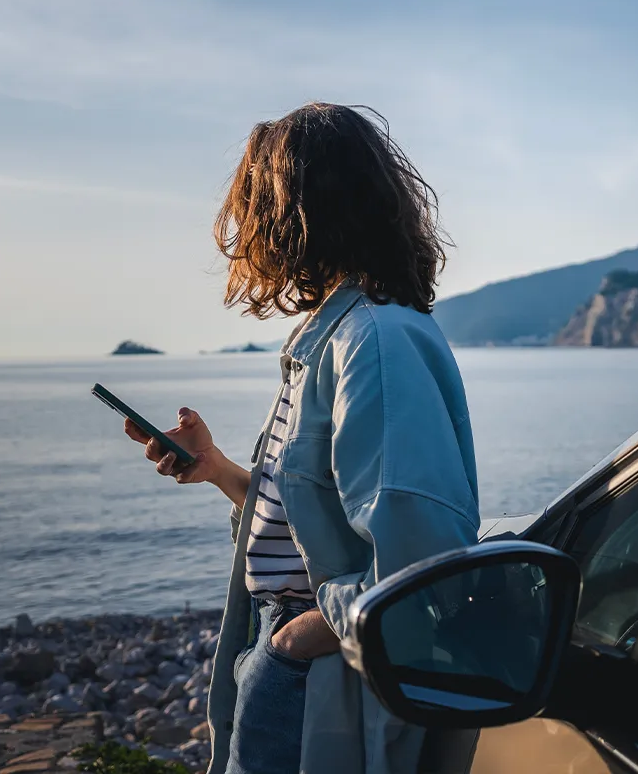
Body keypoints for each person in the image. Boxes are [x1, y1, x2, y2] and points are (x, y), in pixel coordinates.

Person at [125, 103, 480, 774]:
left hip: (319, 661)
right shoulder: (338, 336)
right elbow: (313, 516)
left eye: (256, 205)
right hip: (299, 645)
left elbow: (424, 563)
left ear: (290, 212)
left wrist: (294, 640)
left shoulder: (372, 343)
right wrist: (221, 471)